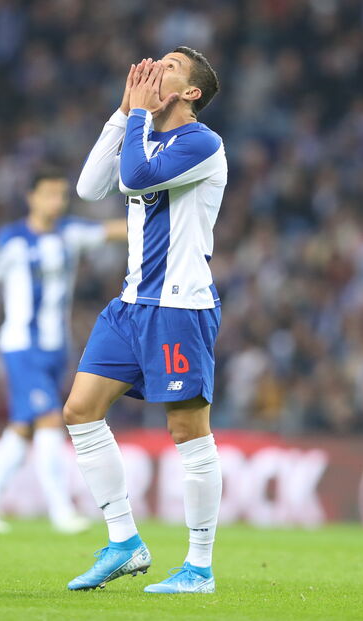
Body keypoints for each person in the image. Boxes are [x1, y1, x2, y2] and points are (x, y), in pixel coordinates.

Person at [64, 48, 227, 593]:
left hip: (180, 309)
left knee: (187, 430)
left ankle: (199, 567)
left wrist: (138, 114)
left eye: (173, 67)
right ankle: (124, 541)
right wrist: (121, 111)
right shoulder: (142, 132)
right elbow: (90, 188)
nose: (158, 67)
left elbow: (133, 179)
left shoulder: (202, 143)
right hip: (131, 306)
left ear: (191, 92)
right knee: (80, 409)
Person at [0, 168, 127, 534]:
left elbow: (116, 230)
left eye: (61, 195)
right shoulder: (11, 240)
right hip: (21, 345)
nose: (56, 202)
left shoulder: (70, 234)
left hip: (55, 348)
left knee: (23, 427)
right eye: (48, 194)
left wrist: (161, 215)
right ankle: (60, 511)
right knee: (49, 419)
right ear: (31, 197)